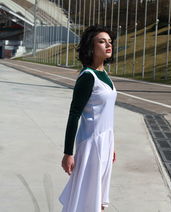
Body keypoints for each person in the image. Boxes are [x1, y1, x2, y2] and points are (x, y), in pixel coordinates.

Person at [59, 25, 117, 212]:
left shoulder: (105, 75)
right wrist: (68, 153)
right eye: (101, 41)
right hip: (92, 145)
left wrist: (111, 146)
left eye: (109, 41)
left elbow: (106, 113)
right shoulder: (88, 77)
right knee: (88, 198)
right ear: (91, 47)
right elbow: (74, 114)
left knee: (99, 198)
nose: (108, 45)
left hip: (106, 142)